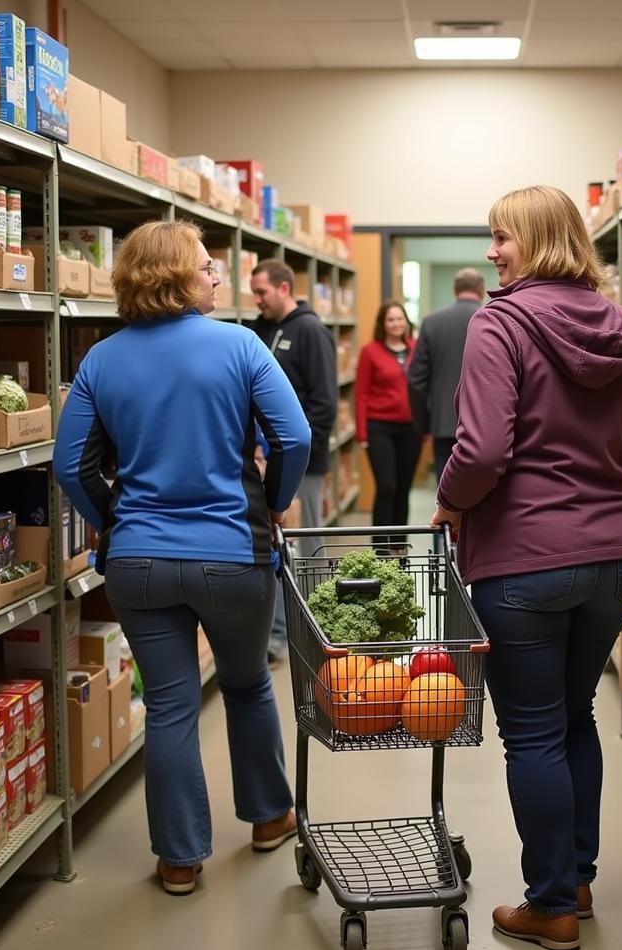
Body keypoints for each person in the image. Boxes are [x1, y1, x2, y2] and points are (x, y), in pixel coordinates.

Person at [431, 186, 622, 950]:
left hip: (524, 562)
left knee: (531, 735)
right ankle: (580, 876)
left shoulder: (501, 321)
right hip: (614, 558)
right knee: (574, 719)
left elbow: (485, 450)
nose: (492, 252)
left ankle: (551, 904)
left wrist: (452, 502)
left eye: (501, 237)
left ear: (535, 240)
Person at [55, 221, 311, 897]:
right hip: (232, 555)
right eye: (207, 267)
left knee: (169, 705)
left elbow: (71, 467)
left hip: (138, 563)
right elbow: (295, 437)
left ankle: (178, 859)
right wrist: (274, 504)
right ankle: (268, 816)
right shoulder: (241, 345)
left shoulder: (102, 360)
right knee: (248, 683)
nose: (218, 276)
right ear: (174, 276)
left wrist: (118, 520)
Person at [249, 258, 337, 660]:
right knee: (277, 547)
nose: (257, 299)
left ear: (284, 289)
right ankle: (279, 635)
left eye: (262, 292)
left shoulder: (310, 331)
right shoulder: (260, 328)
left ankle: (319, 633)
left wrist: (300, 455)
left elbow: (323, 402)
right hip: (265, 461)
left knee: (308, 546)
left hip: (302, 461)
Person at [406, 267, 485, 481]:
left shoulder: (432, 323)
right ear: (482, 289)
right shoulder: (493, 320)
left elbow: (416, 379)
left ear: (454, 290)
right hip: (486, 422)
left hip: (443, 423)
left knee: (446, 486)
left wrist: (422, 423)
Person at [355, 301, 421, 552]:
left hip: (410, 429)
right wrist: (362, 433)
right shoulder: (370, 351)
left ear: (406, 322)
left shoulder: (416, 349)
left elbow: (422, 389)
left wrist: (424, 425)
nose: (396, 324)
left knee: (403, 489)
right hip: (379, 427)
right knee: (387, 487)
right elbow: (360, 394)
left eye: (399, 319)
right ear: (383, 324)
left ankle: (399, 547)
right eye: (391, 319)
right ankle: (381, 550)